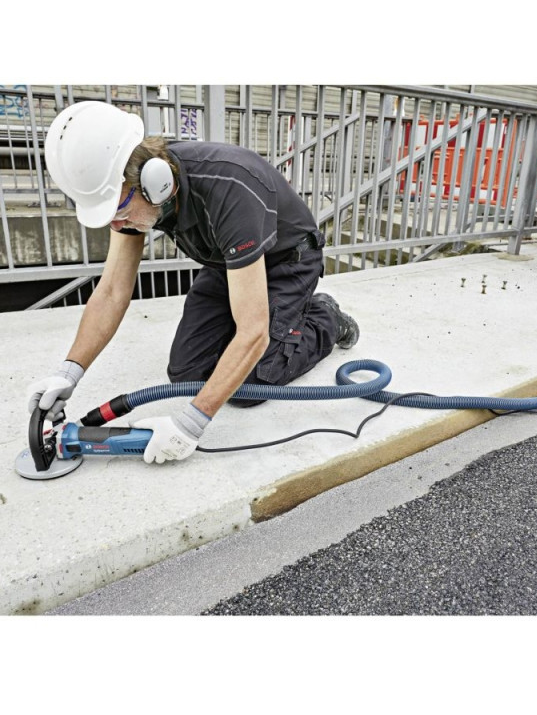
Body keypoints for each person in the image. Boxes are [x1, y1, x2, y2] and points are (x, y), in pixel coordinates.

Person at [27, 101, 359, 465]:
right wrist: (68, 373)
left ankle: (326, 318)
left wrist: (190, 425)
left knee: (250, 384)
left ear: (155, 182)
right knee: (186, 372)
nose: (117, 226)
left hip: (286, 263)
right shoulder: (139, 194)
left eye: (119, 211)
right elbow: (111, 292)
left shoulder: (231, 187)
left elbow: (253, 332)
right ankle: (277, 320)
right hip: (228, 263)